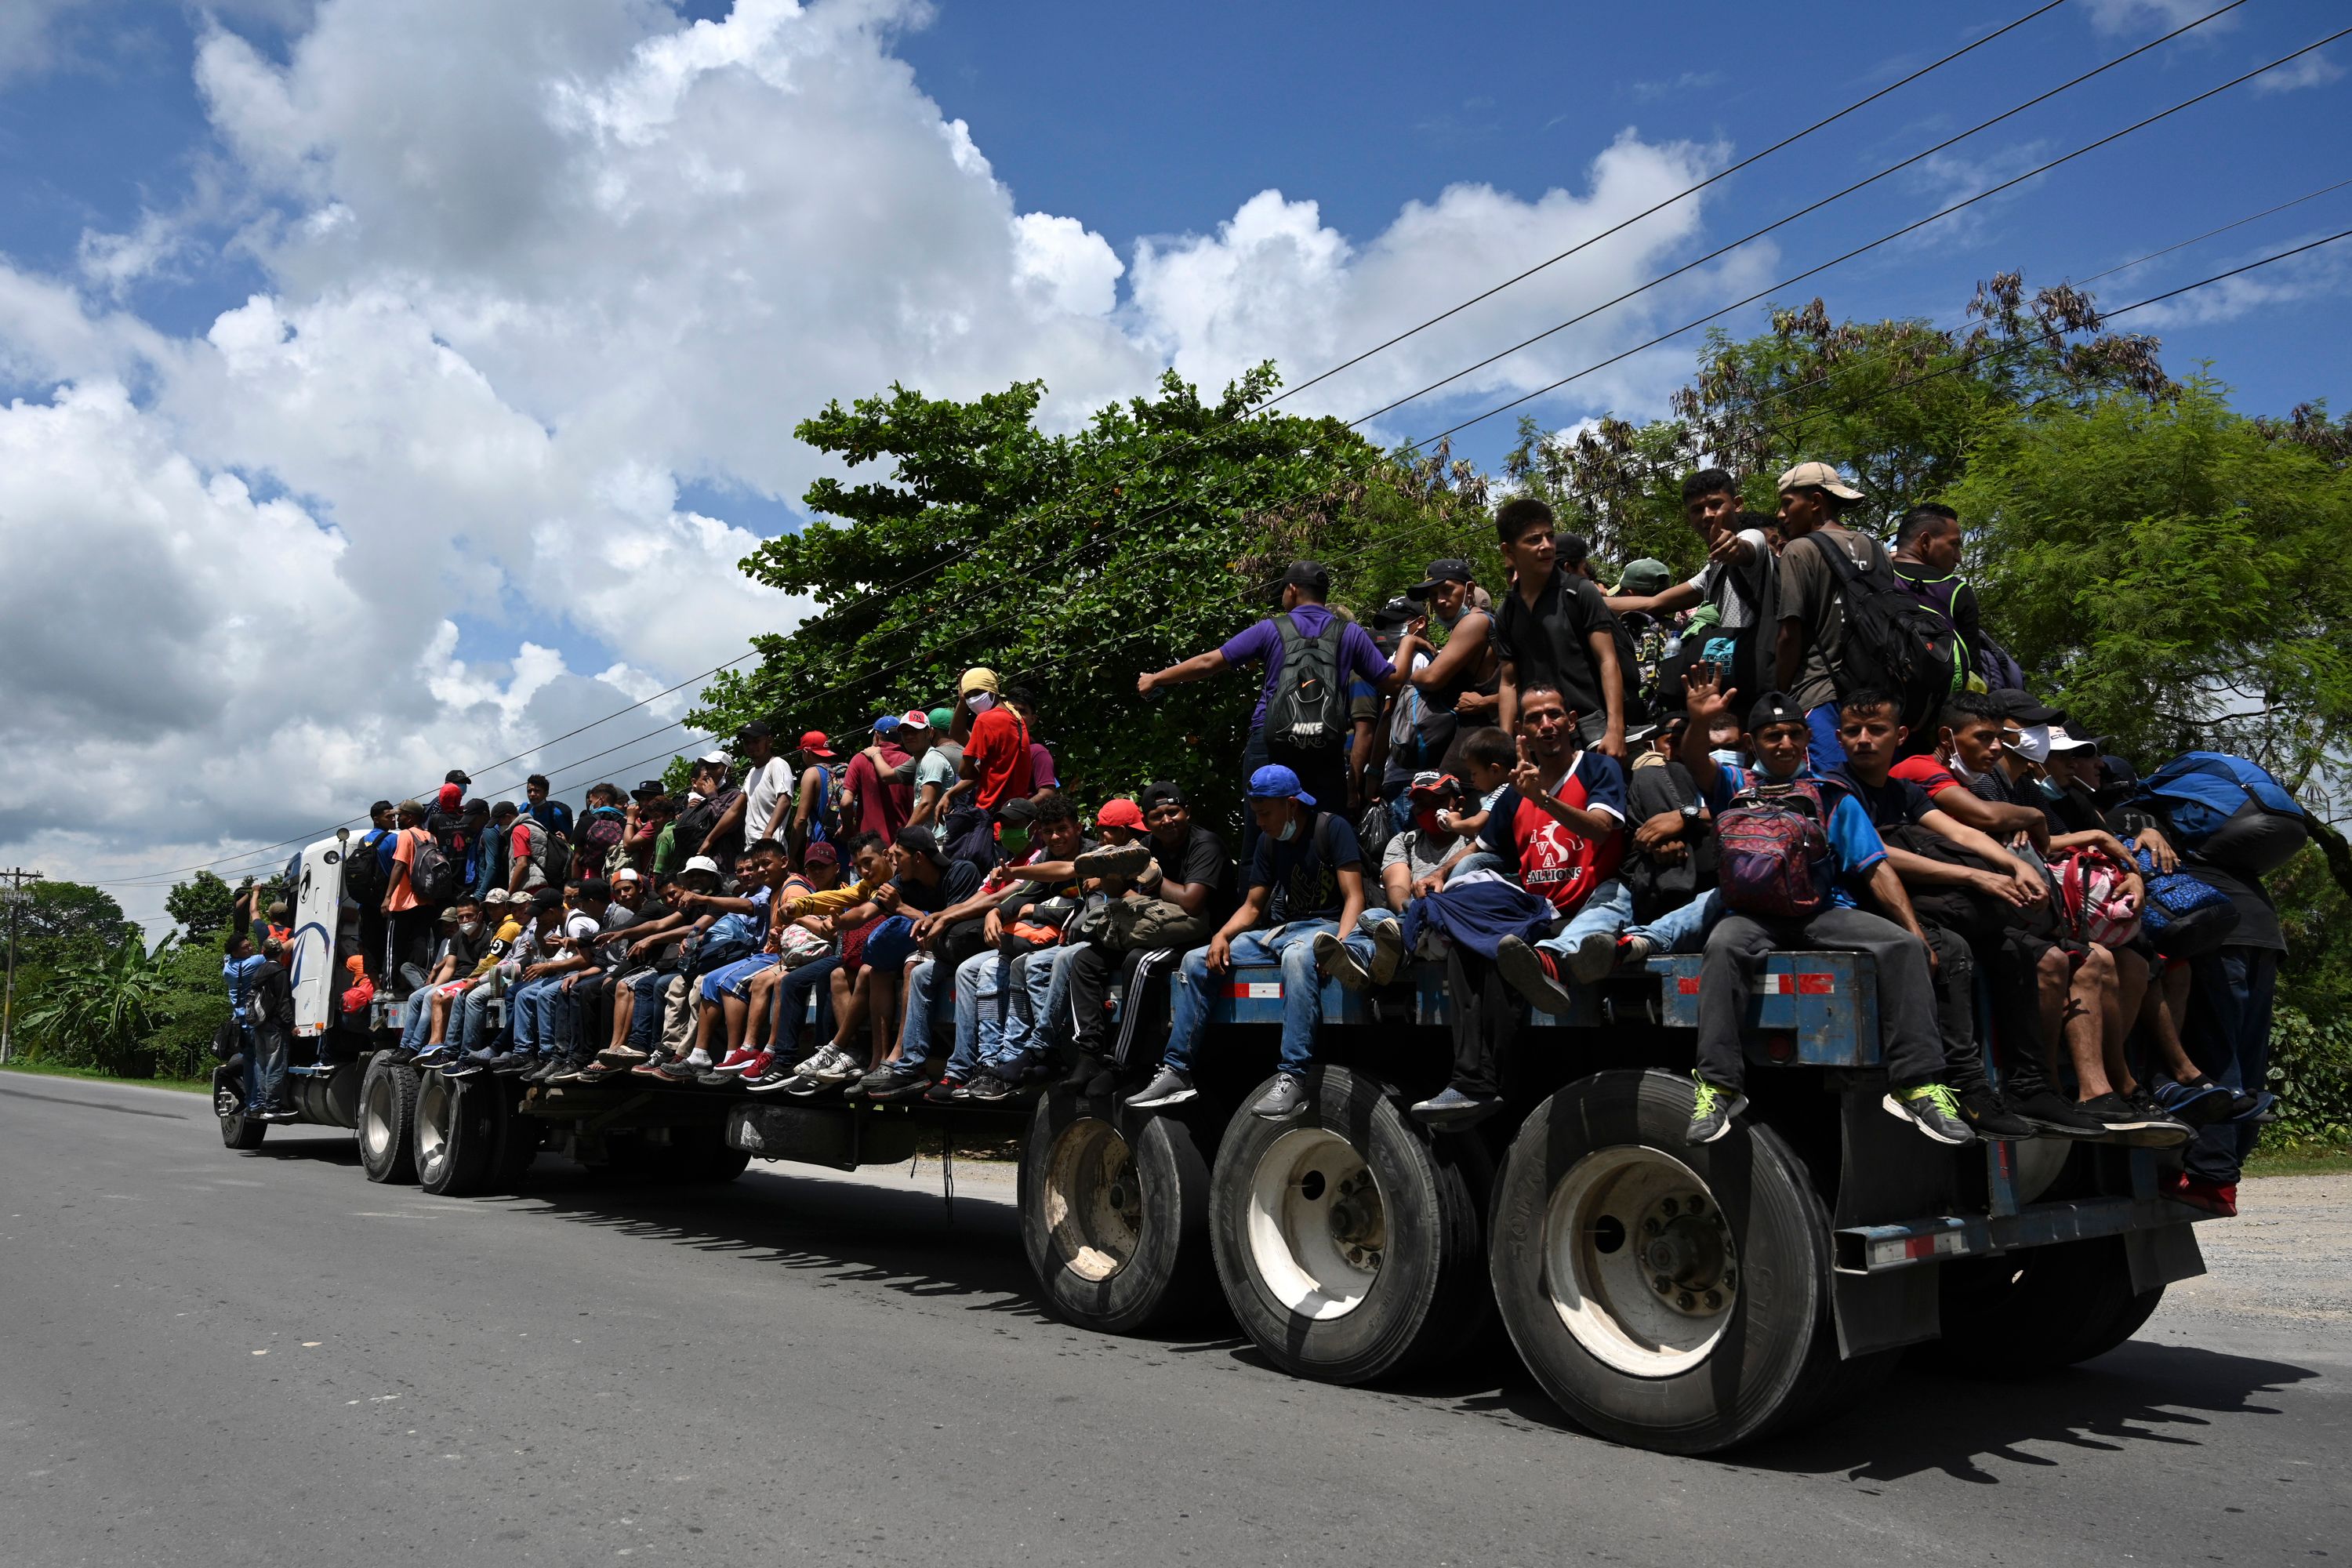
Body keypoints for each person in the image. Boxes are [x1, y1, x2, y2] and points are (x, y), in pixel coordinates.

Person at [1676, 667, 1973, 1147]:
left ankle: (1918, 1085)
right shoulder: (1733, 784)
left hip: (1820, 913)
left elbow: (1876, 868)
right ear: (1753, 743)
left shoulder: (1832, 796)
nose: (1785, 744)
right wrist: (1695, 721)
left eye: (1794, 734)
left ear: (1808, 738)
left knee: (1901, 947)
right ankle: (1718, 1087)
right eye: (1773, 736)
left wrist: (1914, 931)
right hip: (1750, 918)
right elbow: (1693, 758)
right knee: (1722, 947)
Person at [1831, 689, 2045, 1140]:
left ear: (1900, 735)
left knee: (2017, 950)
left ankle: (2031, 1087)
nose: (1864, 740)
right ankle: (1968, 1088)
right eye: (1853, 731)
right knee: (1950, 951)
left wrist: (2014, 865)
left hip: (1923, 900)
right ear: (1840, 737)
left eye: (1877, 730)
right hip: (1866, 905)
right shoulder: (1832, 788)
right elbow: (1874, 854)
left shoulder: (1903, 791)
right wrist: (1975, 879)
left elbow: (1962, 833)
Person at [1127, 764, 1368, 1123]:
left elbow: (1354, 897)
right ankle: (1177, 1070)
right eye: (1255, 813)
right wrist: (1222, 935)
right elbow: (1254, 906)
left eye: (1265, 813)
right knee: (1194, 960)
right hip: (1281, 929)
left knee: (1299, 958)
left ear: (1291, 805)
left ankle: (1294, 1075)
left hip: (1325, 927)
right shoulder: (1269, 841)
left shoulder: (1331, 828)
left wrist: (1341, 945)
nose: (1259, 822)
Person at [1136, 561, 1399, 824]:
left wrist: (1156, 678)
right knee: (1326, 826)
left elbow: (1209, 663)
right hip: (1324, 742)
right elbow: (1392, 683)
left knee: (1263, 828)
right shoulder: (1350, 632)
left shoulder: (1271, 628)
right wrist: (1409, 642)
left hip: (1272, 740)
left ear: (1293, 589)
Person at [1058, 781, 1239, 1083]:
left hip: (1197, 934)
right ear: (1147, 821)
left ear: (1187, 812)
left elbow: (1193, 904)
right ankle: (1088, 1055)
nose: (1166, 820)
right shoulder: (1146, 848)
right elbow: (1121, 892)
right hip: (1155, 928)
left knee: (1140, 962)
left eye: (1173, 812)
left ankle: (1121, 1063)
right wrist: (1109, 871)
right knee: (1084, 960)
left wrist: (1152, 877)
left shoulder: (1206, 844)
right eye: (1157, 816)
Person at [1606, 469, 1779, 710]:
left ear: (1737, 505)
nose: (1708, 515)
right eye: (1698, 510)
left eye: (1716, 505)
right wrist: (1585, 597)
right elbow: (1655, 604)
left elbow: (1748, 547)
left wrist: (1735, 547)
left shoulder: (1752, 539)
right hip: (1724, 692)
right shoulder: (1712, 571)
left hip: (1758, 690)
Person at [1490, 499, 1627, 757]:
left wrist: (1615, 729)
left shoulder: (1580, 593)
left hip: (1591, 731)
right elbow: (1509, 683)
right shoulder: (1506, 612)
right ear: (1509, 551)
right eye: (1534, 540)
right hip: (1541, 739)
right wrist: (1508, 745)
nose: (1546, 546)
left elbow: (1608, 661)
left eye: (1550, 537)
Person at [1772, 459, 1886, 770]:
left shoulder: (1800, 549)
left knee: (1830, 791)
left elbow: (1789, 633)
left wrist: (1780, 690)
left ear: (1816, 502)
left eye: (1787, 503)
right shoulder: (1876, 549)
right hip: (1876, 699)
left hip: (1819, 692)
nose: (1781, 515)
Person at [942, 668, 1034, 864]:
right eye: (968, 696)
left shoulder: (986, 720)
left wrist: (953, 789)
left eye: (977, 694)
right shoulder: (1015, 718)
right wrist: (961, 701)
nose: (972, 700)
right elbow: (959, 736)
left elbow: (966, 772)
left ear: (992, 690)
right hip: (1015, 822)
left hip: (991, 821)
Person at [1890, 503, 1982, 670]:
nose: (1958, 558)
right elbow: (1971, 669)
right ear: (1925, 541)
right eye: (1954, 544)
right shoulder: (1956, 591)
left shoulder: (1873, 578)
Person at [379, 799, 437, 985]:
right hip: (426, 901)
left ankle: (391, 987)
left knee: (394, 948)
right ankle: (420, 984)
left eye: (401, 815)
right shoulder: (431, 836)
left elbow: (399, 865)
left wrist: (387, 897)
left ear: (410, 817)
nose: (398, 819)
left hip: (403, 902)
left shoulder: (406, 835)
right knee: (421, 947)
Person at [248, 936, 296, 1121]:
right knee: (275, 1065)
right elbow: (283, 1001)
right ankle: (273, 1106)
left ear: (263, 952)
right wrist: (291, 1025)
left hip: (259, 1023)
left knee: (261, 1064)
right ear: (281, 953)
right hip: (276, 1025)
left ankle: (261, 1104)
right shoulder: (279, 972)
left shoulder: (259, 971)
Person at [841, 717, 913, 840]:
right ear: (900, 738)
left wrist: (848, 829)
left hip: (867, 846)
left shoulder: (860, 759)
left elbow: (846, 802)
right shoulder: (910, 761)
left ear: (877, 735)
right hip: (901, 844)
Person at [896, 710, 957, 830]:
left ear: (929, 732)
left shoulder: (932, 759)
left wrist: (903, 838)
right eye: (905, 733)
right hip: (931, 836)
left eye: (915, 731)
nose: (909, 736)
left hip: (940, 838)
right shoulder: (923, 760)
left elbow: (926, 804)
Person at [524, 775, 573, 844]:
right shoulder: (524, 809)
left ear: (546, 793)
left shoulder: (557, 813)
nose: (532, 794)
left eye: (537, 791)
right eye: (529, 791)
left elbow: (571, 840)